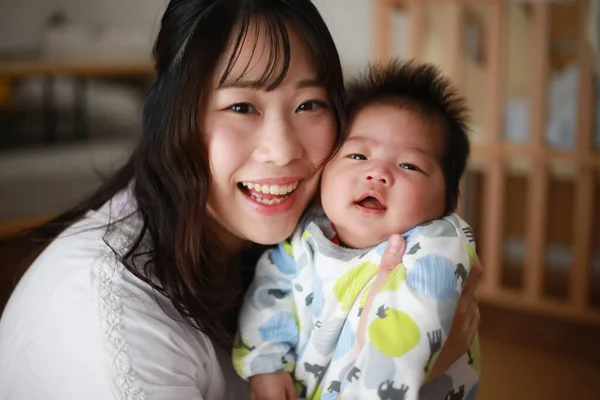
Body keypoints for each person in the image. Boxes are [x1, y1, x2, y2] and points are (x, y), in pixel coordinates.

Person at [0, 1, 481, 399]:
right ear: (176, 121)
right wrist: (429, 362)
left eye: (309, 104)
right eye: (241, 106)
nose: (282, 150)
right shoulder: (113, 328)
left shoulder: (309, 229)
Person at [234, 61, 480, 400]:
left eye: (409, 165)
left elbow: (402, 340)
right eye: (357, 155)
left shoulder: (434, 247)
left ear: (447, 202)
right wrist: (267, 364)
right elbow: (271, 294)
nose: (377, 173)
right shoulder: (307, 236)